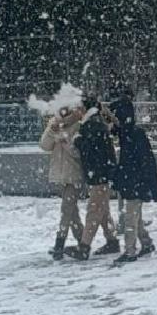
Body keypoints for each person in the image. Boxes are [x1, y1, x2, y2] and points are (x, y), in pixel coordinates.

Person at [67, 97, 120, 261]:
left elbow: (90, 151)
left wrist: (78, 141)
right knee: (102, 211)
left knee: (94, 210)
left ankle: (84, 247)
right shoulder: (96, 122)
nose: (77, 111)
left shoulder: (92, 125)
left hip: (98, 174)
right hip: (101, 173)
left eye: (79, 107)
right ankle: (112, 240)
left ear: (85, 109)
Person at [110, 96, 157, 264]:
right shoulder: (130, 133)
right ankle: (146, 243)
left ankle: (130, 251)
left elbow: (142, 161)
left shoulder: (132, 134)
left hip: (134, 181)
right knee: (134, 215)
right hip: (134, 181)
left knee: (131, 217)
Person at [38, 103, 85, 259]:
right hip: (60, 176)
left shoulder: (79, 127)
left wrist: (64, 140)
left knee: (66, 210)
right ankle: (83, 240)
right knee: (72, 213)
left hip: (74, 175)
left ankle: (60, 243)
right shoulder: (55, 124)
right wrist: (52, 132)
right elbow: (44, 146)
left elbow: (78, 153)